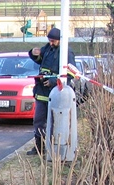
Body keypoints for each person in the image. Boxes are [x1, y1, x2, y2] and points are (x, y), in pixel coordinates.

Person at [26, 28, 76, 156]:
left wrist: (54, 81)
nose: (51, 43)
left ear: (60, 40)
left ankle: (55, 147)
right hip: (42, 92)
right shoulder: (47, 49)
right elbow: (38, 59)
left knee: (55, 122)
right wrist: (33, 53)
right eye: (50, 41)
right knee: (39, 121)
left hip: (57, 93)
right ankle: (40, 147)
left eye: (53, 41)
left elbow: (71, 72)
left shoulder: (66, 52)